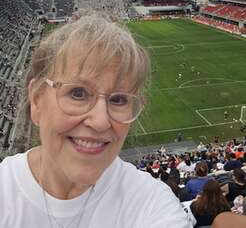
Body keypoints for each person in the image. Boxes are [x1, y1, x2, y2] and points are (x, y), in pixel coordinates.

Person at [0, 13, 192, 228]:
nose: (101, 121)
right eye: (78, 93)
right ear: (36, 101)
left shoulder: (152, 203)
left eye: (119, 99)